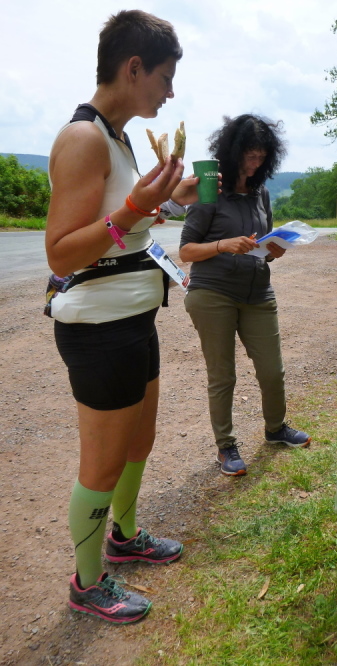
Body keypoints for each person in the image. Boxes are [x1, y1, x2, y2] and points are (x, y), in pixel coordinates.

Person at [45, 10, 198, 624]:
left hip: (135, 318)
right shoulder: (83, 139)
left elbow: (119, 224)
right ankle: (87, 583)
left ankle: (124, 537)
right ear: (133, 68)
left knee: (140, 440)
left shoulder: (119, 137)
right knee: (103, 464)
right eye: (165, 77)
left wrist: (162, 205)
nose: (170, 92)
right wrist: (135, 207)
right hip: (98, 329)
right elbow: (61, 252)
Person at [179, 114, 311, 477]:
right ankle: (226, 447)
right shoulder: (210, 192)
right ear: (233, 152)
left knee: (272, 370)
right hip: (213, 294)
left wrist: (273, 251)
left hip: (257, 292)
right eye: (250, 156)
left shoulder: (261, 193)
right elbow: (186, 251)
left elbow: (262, 247)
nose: (256, 163)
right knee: (223, 376)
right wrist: (223, 245)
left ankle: (276, 429)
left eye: (262, 157)